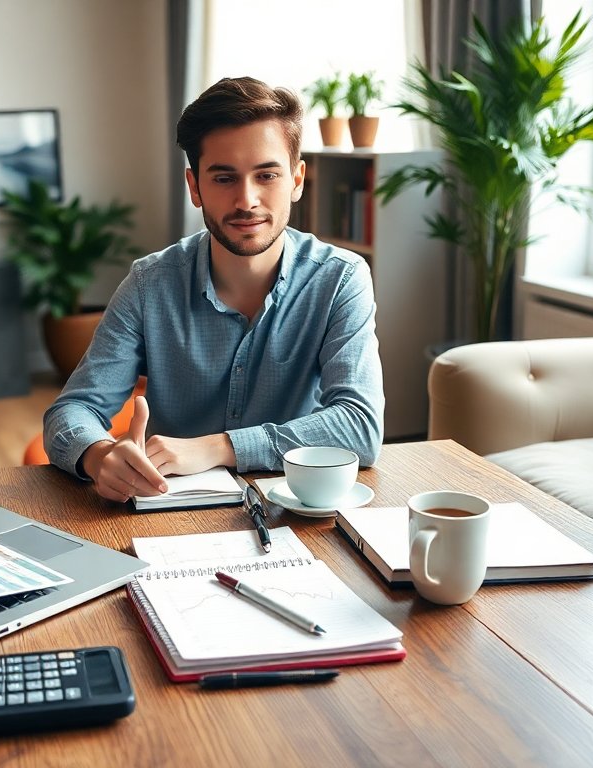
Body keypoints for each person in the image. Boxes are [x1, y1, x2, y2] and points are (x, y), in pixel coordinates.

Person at [43, 76, 384, 502]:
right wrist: (99, 455)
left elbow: (360, 427)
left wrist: (217, 448)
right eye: (224, 178)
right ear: (194, 186)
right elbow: (70, 411)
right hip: (170, 509)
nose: (247, 200)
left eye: (267, 175)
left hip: (296, 509)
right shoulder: (149, 285)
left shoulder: (340, 279)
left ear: (297, 180)